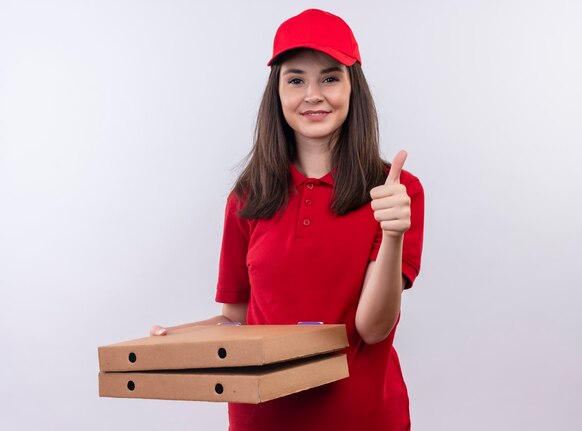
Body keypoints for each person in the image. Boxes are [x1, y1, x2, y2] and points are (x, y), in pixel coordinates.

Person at [150, 9, 424, 431]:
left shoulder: (396, 192)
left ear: (354, 87)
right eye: (296, 79)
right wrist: (178, 337)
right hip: (262, 420)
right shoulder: (247, 198)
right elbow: (238, 317)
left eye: (330, 77)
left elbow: (373, 329)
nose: (313, 94)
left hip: (364, 419)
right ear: (277, 92)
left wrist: (392, 234)